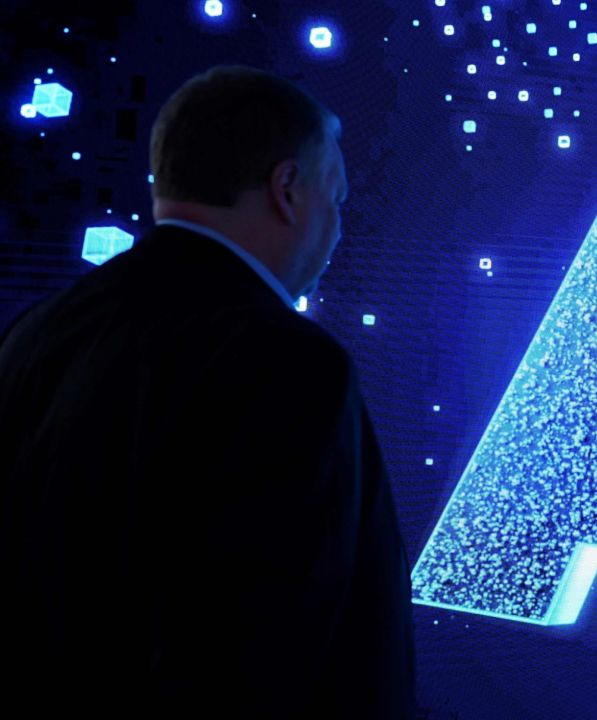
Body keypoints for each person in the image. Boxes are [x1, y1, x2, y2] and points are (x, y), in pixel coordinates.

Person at [0, 65, 415, 718]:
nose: (337, 231)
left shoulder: (35, 333)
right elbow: (258, 659)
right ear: (288, 189)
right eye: (335, 200)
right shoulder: (290, 364)